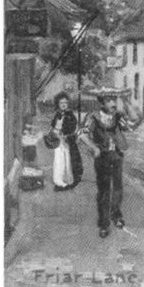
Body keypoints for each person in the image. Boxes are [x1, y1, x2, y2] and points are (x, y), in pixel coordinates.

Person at [79, 90, 133, 238]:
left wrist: (127, 102)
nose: (113, 104)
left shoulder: (117, 116)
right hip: (102, 156)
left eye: (114, 100)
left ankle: (116, 215)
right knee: (104, 191)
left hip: (116, 155)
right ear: (102, 102)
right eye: (109, 101)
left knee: (118, 188)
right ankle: (104, 223)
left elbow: (132, 125)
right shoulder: (93, 117)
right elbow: (82, 134)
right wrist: (93, 147)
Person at [50, 92, 83, 191]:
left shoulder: (70, 115)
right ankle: (58, 180)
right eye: (61, 103)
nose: (64, 105)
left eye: (65, 102)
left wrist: (66, 135)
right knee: (59, 160)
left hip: (68, 141)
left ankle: (69, 180)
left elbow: (73, 126)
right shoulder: (57, 114)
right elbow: (53, 126)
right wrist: (55, 131)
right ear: (58, 104)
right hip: (58, 141)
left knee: (68, 160)